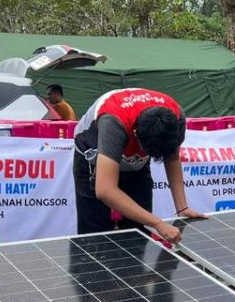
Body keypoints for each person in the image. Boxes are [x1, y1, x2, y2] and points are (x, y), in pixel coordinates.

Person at [72, 88, 206, 243]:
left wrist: (182, 208)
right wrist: (158, 223)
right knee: (95, 237)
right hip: (93, 157)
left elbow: (173, 158)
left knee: (139, 233)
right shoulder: (113, 122)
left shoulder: (175, 118)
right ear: (136, 134)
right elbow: (105, 190)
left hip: (135, 166)